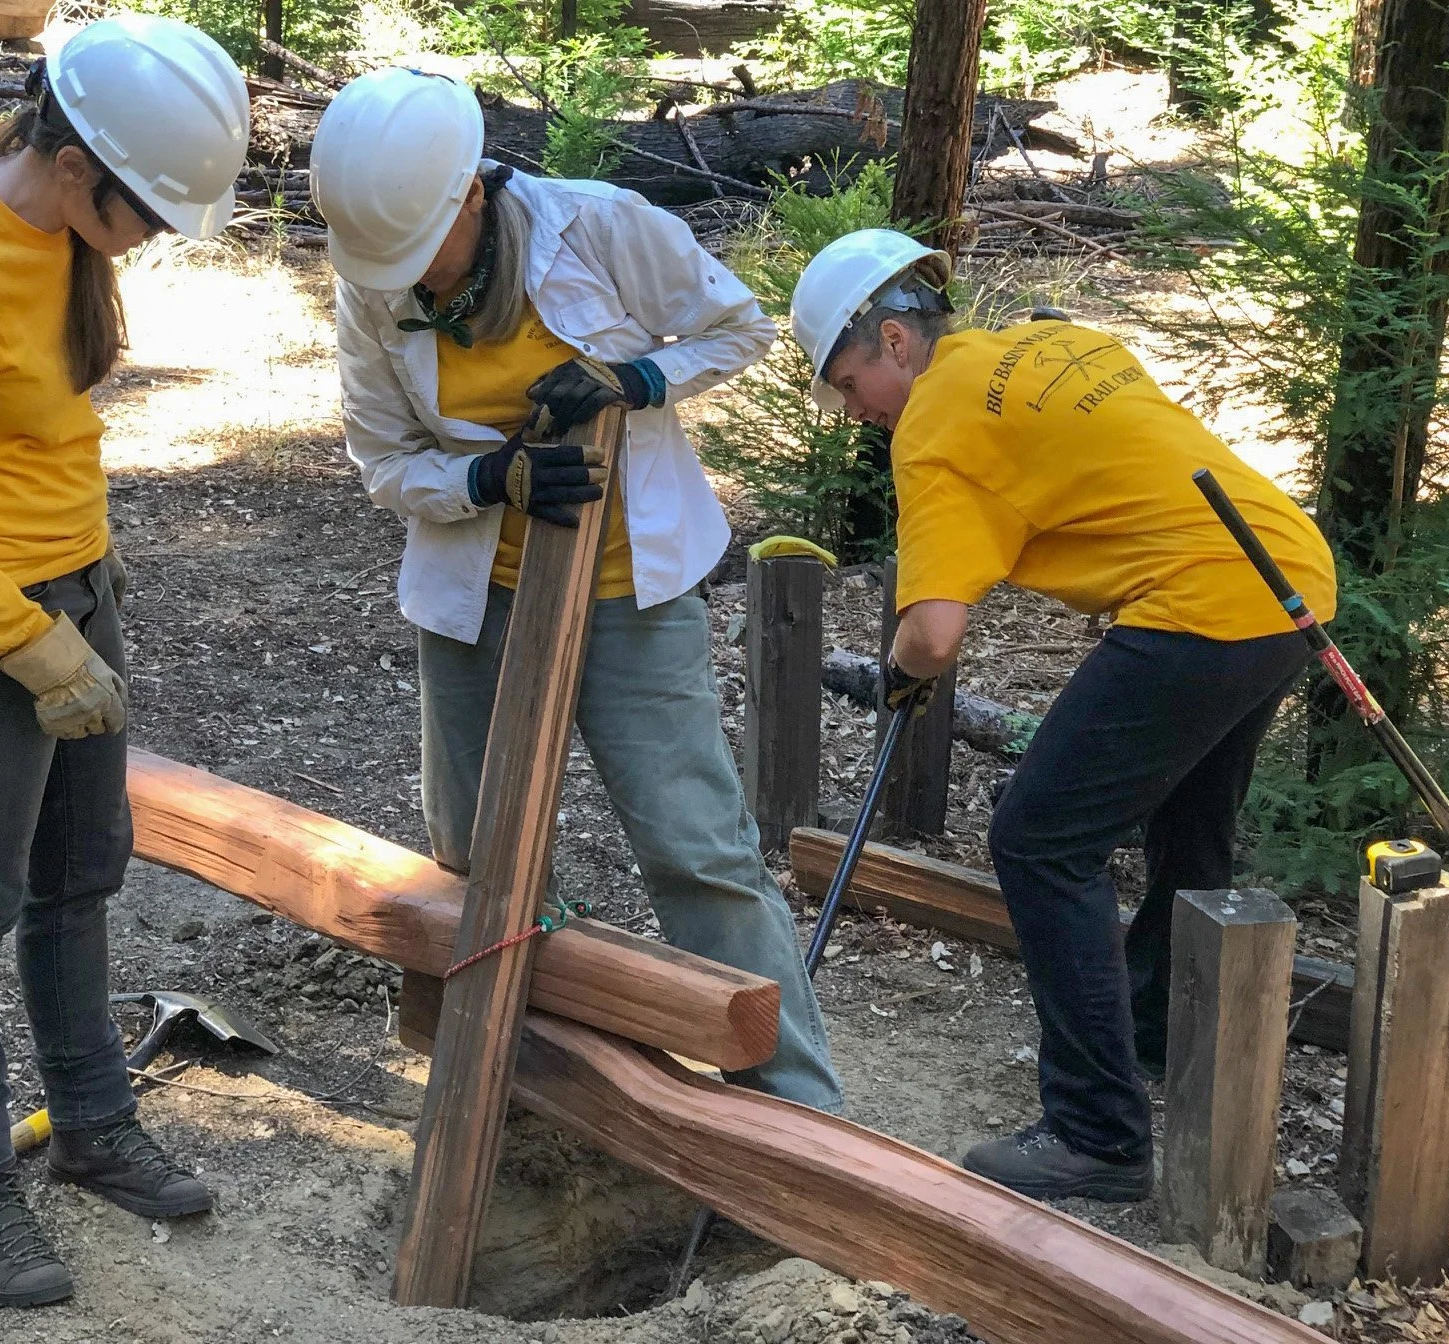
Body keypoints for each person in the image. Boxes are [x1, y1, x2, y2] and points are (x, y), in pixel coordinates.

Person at [312, 69, 842, 1112]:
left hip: (626, 593)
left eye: (424, 253)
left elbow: (737, 328)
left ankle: (797, 1113)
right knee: (477, 856)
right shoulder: (372, 280)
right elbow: (383, 461)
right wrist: (482, 480)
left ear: (470, 191)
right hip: (479, 598)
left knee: (696, 849)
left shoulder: (600, 229)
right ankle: (516, 1075)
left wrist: (633, 378)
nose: (410, 282)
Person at [0, 16, 250, 1306]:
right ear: (76, 168)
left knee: (79, 877)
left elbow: (46, 434)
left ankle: (91, 1127)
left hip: (74, 592)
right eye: (149, 211)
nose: (158, 239)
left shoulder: (69, 239)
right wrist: (22, 638)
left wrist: (85, 585)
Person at [789, 229, 1337, 1202]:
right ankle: (1158, 1018)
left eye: (845, 381)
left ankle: (1098, 1131)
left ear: (895, 341)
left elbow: (936, 631)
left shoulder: (931, 425)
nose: (849, 411)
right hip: (1288, 571)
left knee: (1040, 840)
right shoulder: (1047, 344)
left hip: (1201, 602)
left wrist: (899, 670)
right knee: (1189, 823)